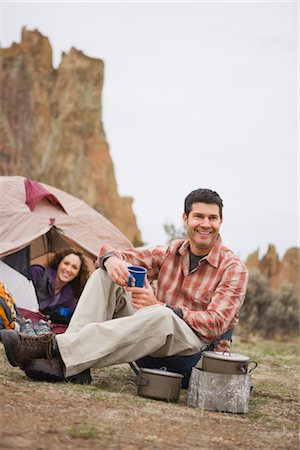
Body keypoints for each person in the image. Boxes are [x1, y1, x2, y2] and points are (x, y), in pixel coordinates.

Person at [0, 188, 249, 388]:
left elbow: (216, 323)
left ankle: (53, 349)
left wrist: (164, 307)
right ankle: (75, 366)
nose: (205, 224)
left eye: (212, 218)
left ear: (221, 221)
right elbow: (112, 253)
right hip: (150, 336)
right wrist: (113, 261)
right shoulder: (171, 252)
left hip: (194, 350)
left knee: (162, 315)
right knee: (104, 275)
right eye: (198, 216)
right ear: (186, 219)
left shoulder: (233, 268)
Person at [18, 248, 89, 335]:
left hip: (43, 332)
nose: (68, 269)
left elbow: (75, 319)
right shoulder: (37, 273)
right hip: (22, 322)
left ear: (78, 273)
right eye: (66, 263)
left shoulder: (70, 296)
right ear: (59, 263)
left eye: (74, 267)